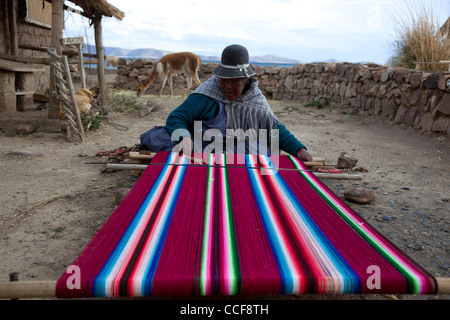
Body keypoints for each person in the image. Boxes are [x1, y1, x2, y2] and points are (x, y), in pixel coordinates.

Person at [140, 44, 313, 163]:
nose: (227, 86)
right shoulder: (207, 94)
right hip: (204, 143)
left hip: (236, 145)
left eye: (235, 81)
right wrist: (184, 137)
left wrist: (298, 149)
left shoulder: (255, 100)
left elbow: (273, 129)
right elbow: (177, 117)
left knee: (261, 153)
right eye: (223, 80)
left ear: (246, 80)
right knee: (159, 138)